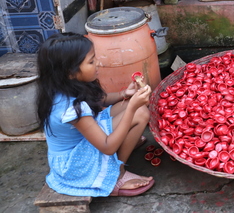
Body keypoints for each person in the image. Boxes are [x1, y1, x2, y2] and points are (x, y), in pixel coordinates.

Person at [36, 32, 154, 197]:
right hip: (75, 165)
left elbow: (100, 99)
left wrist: (124, 94)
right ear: (70, 72)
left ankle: (123, 146)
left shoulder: (62, 85)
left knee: (127, 105)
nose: (98, 63)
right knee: (139, 113)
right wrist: (133, 108)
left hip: (83, 140)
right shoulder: (71, 109)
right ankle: (117, 174)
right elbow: (107, 147)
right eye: (91, 61)